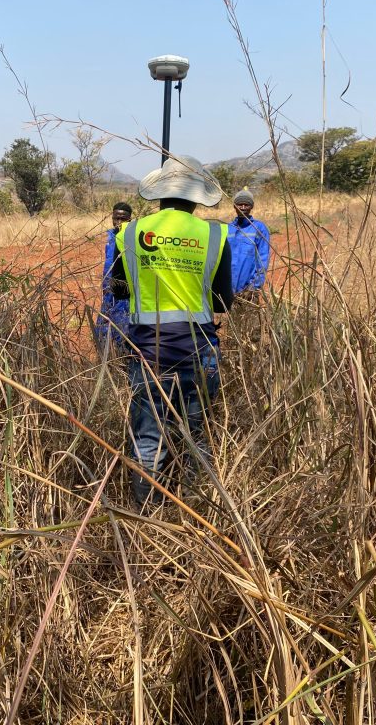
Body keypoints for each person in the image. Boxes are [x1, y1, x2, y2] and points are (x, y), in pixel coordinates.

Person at [111, 156, 233, 505]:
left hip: (148, 353)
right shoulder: (214, 233)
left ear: (159, 195)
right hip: (199, 351)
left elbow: (118, 289)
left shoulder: (132, 232)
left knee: (149, 439)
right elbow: (223, 302)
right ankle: (195, 515)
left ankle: (146, 520)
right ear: (197, 197)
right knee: (197, 438)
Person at [95, 202, 132, 349]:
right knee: (104, 325)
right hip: (108, 287)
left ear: (130, 219)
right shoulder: (109, 235)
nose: (119, 222)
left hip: (123, 287)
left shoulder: (132, 237)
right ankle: (105, 356)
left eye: (123, 219)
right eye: (116, 218)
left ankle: (122, 356)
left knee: (123, 324)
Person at [227, 188, 270, 297]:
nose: (243, 208)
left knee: (249, 314)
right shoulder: (228, 228)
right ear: (234, 206)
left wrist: (254, 286)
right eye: (239, 204)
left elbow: (263, 259)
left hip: (248, 290)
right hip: (228, 289)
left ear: (252, 207)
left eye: (246, 205)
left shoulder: (259, 228)